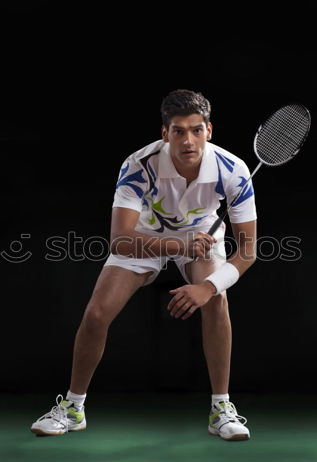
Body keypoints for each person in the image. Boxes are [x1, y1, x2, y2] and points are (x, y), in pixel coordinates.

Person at [31, 89, 257, 441]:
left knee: (217, 300)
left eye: (197, 130)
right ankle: (73, 408)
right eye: (179, 131)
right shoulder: (139, 165)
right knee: (96, 313)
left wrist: (207, 286)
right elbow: (120, 238)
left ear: (209, 131)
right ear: (164, 133)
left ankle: (221, 408)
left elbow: (248, 251)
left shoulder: (233, 170)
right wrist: (179, 243)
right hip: (145, 235)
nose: (188, 140)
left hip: (201, 235)